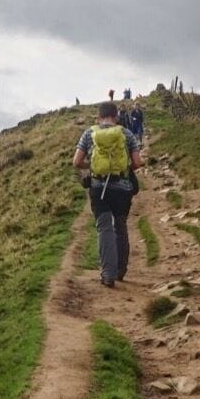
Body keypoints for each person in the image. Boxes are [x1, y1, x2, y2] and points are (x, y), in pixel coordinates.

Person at [74, 101, 143, 287]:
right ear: (116, 116)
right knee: (120, 226)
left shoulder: (89, 133)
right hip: (122, 188)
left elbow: (77, 161)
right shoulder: (126, 134)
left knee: (104, 228)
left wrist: (94, 166)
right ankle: (121, 271)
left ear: (99, 116)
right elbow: (137, 162)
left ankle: (108, 274)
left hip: (98, 187)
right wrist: (122, 167)